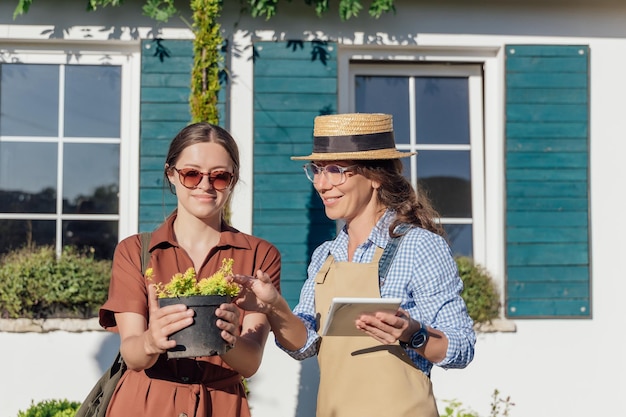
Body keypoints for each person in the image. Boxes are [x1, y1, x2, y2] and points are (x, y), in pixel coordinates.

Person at [231, 113, 476, 417]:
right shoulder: (325, 256)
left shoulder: (419, 246)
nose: (321, 184)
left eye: (336, 171)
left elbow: (462, 346)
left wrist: (412, 333)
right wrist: (274, 307)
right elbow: (304, 344)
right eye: (317, 170)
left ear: (375, 177)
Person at [99, 122, 281, 417]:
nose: (205, 185)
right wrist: (151, 340)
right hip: (146, 403)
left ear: (233, 180)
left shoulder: (260, 255)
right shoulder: (135, 251)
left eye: (219, 176)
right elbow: (132, 355)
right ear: (171, 174)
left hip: (221, 404)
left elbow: (250, 363)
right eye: (191, 174)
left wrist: (228, 338)